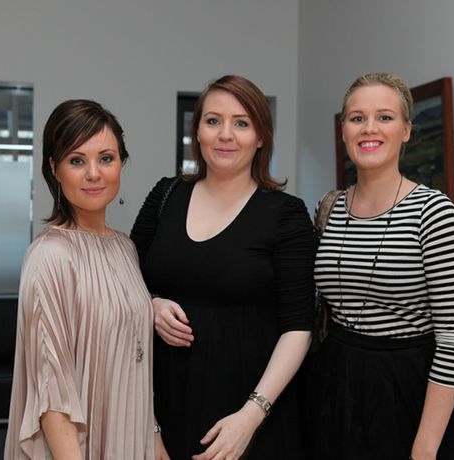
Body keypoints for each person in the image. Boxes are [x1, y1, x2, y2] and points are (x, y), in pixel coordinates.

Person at [130, 75, 316, 460]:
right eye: (213, 120)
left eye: (242, 123)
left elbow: (298, 327)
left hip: (253, 411)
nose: (225, 134)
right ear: (197, 132)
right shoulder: (165, 195)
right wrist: (152, 303)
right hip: (164, 407)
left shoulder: (286, 214)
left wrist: (251, 416)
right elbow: (124, 281)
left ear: (261, 137)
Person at [306, 72, 454, 460]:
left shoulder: (434, 213)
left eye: (385, 117)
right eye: (357, 118)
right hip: (334, 384)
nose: (370, 128)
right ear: (343, 131)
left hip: (407, 389)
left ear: (406, 130)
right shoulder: (328, 208)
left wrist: (425, 446)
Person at [4, 99, 169, 459]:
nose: (94, 173)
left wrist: (153, 437)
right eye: (77, 160)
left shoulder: (125, 248)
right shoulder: (49, 256)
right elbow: (51, 394)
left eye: (106, 158)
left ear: (120, 163)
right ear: (54, 169)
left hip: (133, 439)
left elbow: (134, 361)